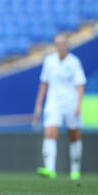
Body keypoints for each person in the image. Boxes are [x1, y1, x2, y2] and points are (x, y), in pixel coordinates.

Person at [32, 33, 86, 180]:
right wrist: (38, 105)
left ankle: (75, 170)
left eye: (63, 44)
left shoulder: (74, 62)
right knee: (50, 132)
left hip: (71, 102)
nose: (60, 47)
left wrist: (78, 105)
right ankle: (50, 169)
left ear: (67, 45)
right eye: (58, 44)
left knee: (74, 135)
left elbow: (80, 85)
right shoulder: (49, 61)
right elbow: (44, 83)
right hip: (53, 102)